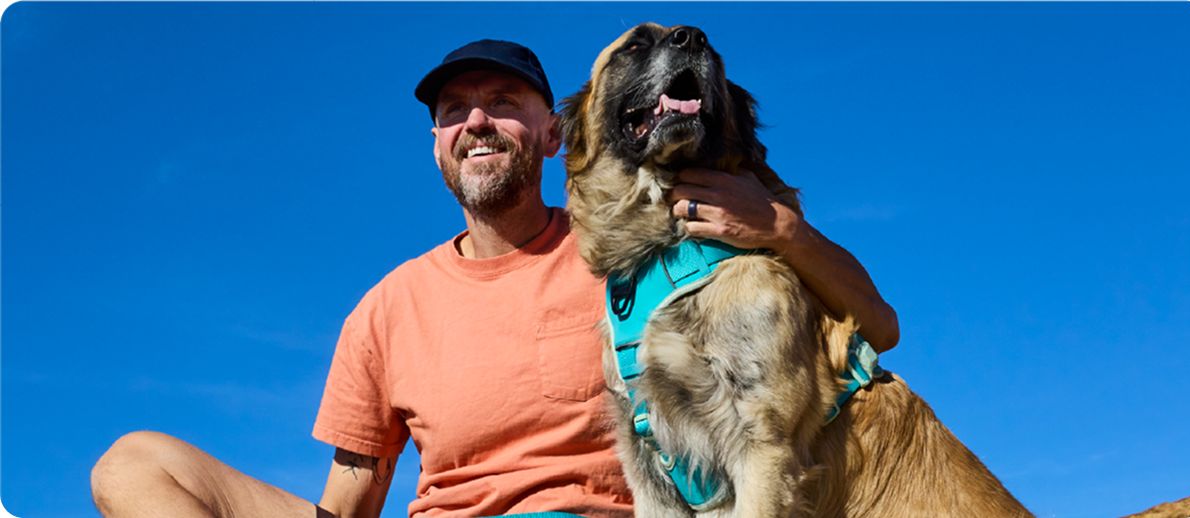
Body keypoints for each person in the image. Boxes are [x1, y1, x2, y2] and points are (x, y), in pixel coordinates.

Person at [90, 39, 898, 518]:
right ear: (438, 145)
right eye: (454, 110)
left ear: (553, 134)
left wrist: (782, 230)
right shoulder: (387, 308)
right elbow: (349, 503)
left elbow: (877, 327)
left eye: (502, 101)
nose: (475, 120)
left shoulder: (638, 257)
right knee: (133, 463)